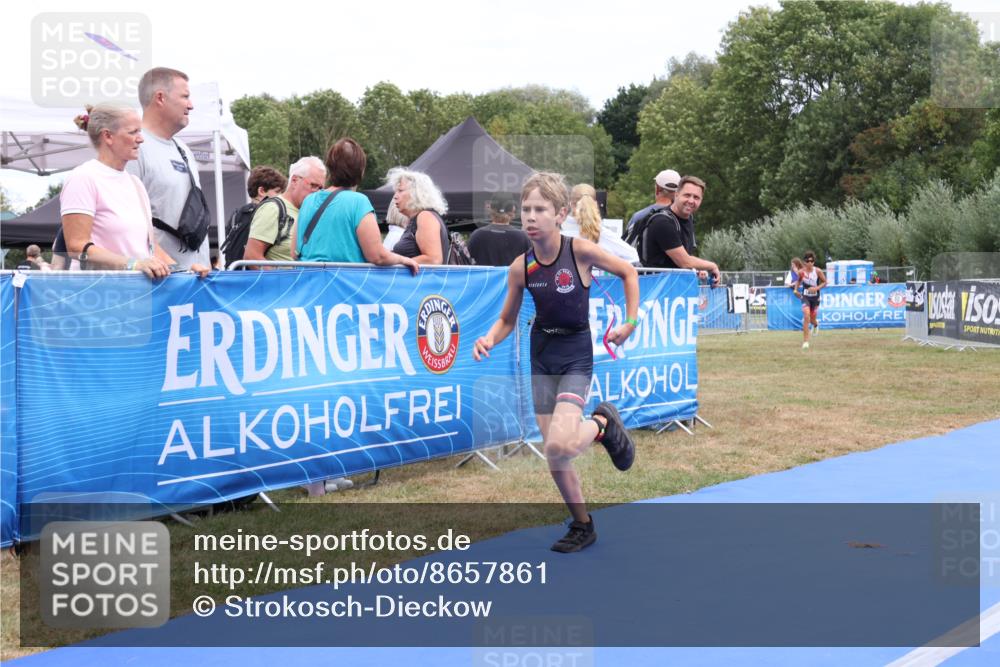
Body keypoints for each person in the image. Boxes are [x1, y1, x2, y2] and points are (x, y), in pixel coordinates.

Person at [473, 172, 640, 554]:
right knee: (556, 453)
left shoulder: (579, 250)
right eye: (525, 209)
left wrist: (629, 323)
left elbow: (629, 272)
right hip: (541, 355)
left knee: (558, 446)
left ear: (560, 213)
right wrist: (488, 338)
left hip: (575, 354)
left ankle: (602, 423)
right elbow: (506, 320)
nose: (530, 217)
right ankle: (583, 525)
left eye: (540, 209)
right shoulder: (522, 266)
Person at [60, 103, 200, 279]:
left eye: (140, 131)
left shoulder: (135, 183)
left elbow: (150, 247)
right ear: (108, 136)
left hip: (136, 295)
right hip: (98, 295)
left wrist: (186, 273)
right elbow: (76, 247)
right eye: (133, 132)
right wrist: (134, 264)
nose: (141, 139)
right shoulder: (83, 177)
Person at [293, 138, 418, 274]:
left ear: (330, 167)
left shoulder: (308, 201)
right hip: (343, 286)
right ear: (361, 170)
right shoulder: (359, 202)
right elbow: (377, 255)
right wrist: (403, 260)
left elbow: (294, 252)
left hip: (306, 284)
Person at [127, 67, 209, 269]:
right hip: (160, 281)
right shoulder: (134, 147)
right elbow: (125, 219)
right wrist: (170, 265)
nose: (191, 105)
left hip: (195, 278)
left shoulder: (183, 149)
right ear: (160, 98)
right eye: (185, 97)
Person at [243, 156, 325, 264]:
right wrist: (281, 279)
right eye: (313, 185)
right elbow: (251, 256)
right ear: (295, 180)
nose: (317, 192)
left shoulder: (312, 212)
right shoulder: (272, 209)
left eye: (320, 188)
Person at [639, 176, 720, 282]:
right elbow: (684, 262)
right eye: (687, 195)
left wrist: (697, 270)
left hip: (675, 288)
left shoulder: (688, 219)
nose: (691, 201)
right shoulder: (662, 222)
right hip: (655, 289)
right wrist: (712, 266)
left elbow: (685, 257)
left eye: (696, 197)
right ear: (676, 194)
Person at [562, 184, 639, 264]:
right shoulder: (602, 232)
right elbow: (633, 257)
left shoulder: (557, 229)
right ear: (595, 204)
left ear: (570, 204)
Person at [387, 168, 449, 265]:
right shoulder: (419, 218)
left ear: (416, 193)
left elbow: (433, 260)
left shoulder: (425, 217)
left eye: (400, 190)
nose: (395, 196)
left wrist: (398, 261)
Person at [466, 192, 530, 266]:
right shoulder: (523, 238)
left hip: (486, 277)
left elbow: (467, 265)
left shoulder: (477, 236)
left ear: (490, 208)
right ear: (513, 209)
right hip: (512, 277)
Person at [626, 168, 680, 235]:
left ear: (657, 188)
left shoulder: (639, 216)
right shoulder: (682, 217)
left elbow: (627, 242)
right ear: (678, 192)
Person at [794, 251, 827, 349]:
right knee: (806, 315)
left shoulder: (818, 271)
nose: (810, 263)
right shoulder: (801, 272)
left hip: (815, 297)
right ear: (804, 262)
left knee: (812, 319)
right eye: (808, 261)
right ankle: (805, 342)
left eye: (812, 261)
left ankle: (816, 325)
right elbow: (798, 281)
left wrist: (816, 288)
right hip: (805, 296)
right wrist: (795, 290)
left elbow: (825, 282)